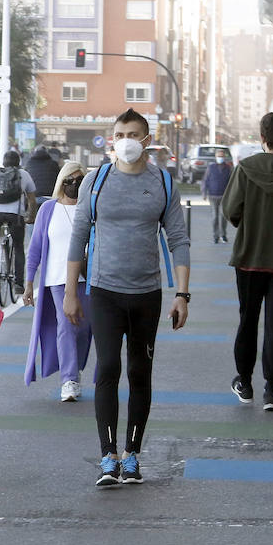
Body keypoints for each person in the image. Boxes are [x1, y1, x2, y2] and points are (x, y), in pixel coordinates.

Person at [64, 108, 191, 487]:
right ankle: (109, 457)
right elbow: (78, 237)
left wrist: (182, 294)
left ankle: (132, 455)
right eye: (120, 134)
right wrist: (71, 292)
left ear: (147, 140)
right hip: (103, 291)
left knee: (139, 372)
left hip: (147, 294)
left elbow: (179, 241)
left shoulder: (164, 183)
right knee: (107, 370)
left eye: (133, 134)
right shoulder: (95, 181)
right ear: (112, 139)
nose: (126, 141)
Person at [221, 112, 273, 410]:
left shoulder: (246, 168)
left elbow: (231, 209)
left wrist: (249, 223)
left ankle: (245, 381)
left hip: (249, 258)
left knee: (248, 321)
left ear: (262, 138)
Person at [23, 163, 91, 403]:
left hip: (87, 278)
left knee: (83, 328)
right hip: (56, 280)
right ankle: (69, 379)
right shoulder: (48, 209)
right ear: (61, 183)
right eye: (70, 180)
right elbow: (36, 248)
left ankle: (74, 369)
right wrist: (29, 282)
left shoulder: (90, 208)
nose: (75, 184)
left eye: (80, 179)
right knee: (66, 326)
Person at [0, 150, 38, 296]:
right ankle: (19, 284)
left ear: (3, 162)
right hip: (15, 214)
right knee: (19, 246)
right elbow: (32, 199)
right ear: (18, 162)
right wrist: (30, 216)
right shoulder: (23, 174)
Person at [203, 147, 233, 244]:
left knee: (223, 216)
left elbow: (232, 182)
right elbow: (205, 180)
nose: (220, 157)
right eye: (219, 156)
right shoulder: (211, 167)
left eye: (222, 156)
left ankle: (223, 235)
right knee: (215, 217)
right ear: (215, 157)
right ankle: (215, 236)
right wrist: (204, 193)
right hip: (213, 196)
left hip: (224, 196)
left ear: (224, 157)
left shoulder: (228, 168)